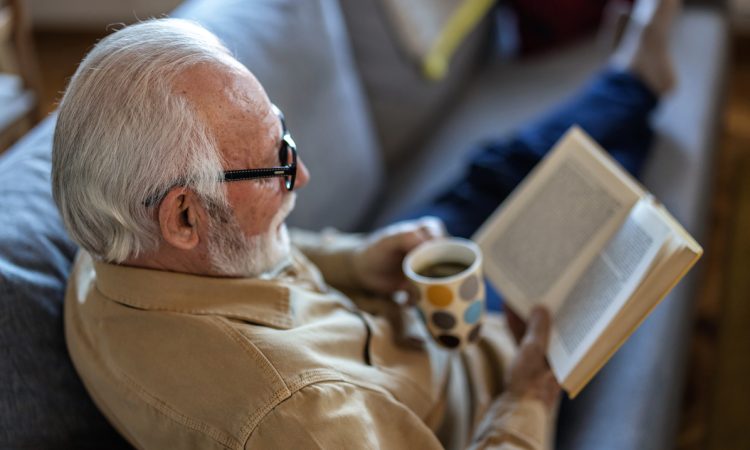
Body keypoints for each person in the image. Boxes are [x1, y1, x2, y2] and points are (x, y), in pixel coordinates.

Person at [51, 0, 679, 448]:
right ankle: (636, 90)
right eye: (276, 163)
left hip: (390, 310)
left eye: (283, 135)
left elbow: (249, 269)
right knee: (591, 215)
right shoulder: (302, 422)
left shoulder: (111, 241)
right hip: (479, 375)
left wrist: (359, 258)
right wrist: (530, 399)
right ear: (184, 217)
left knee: (487, 175)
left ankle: (634, 82)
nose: (302, 177)